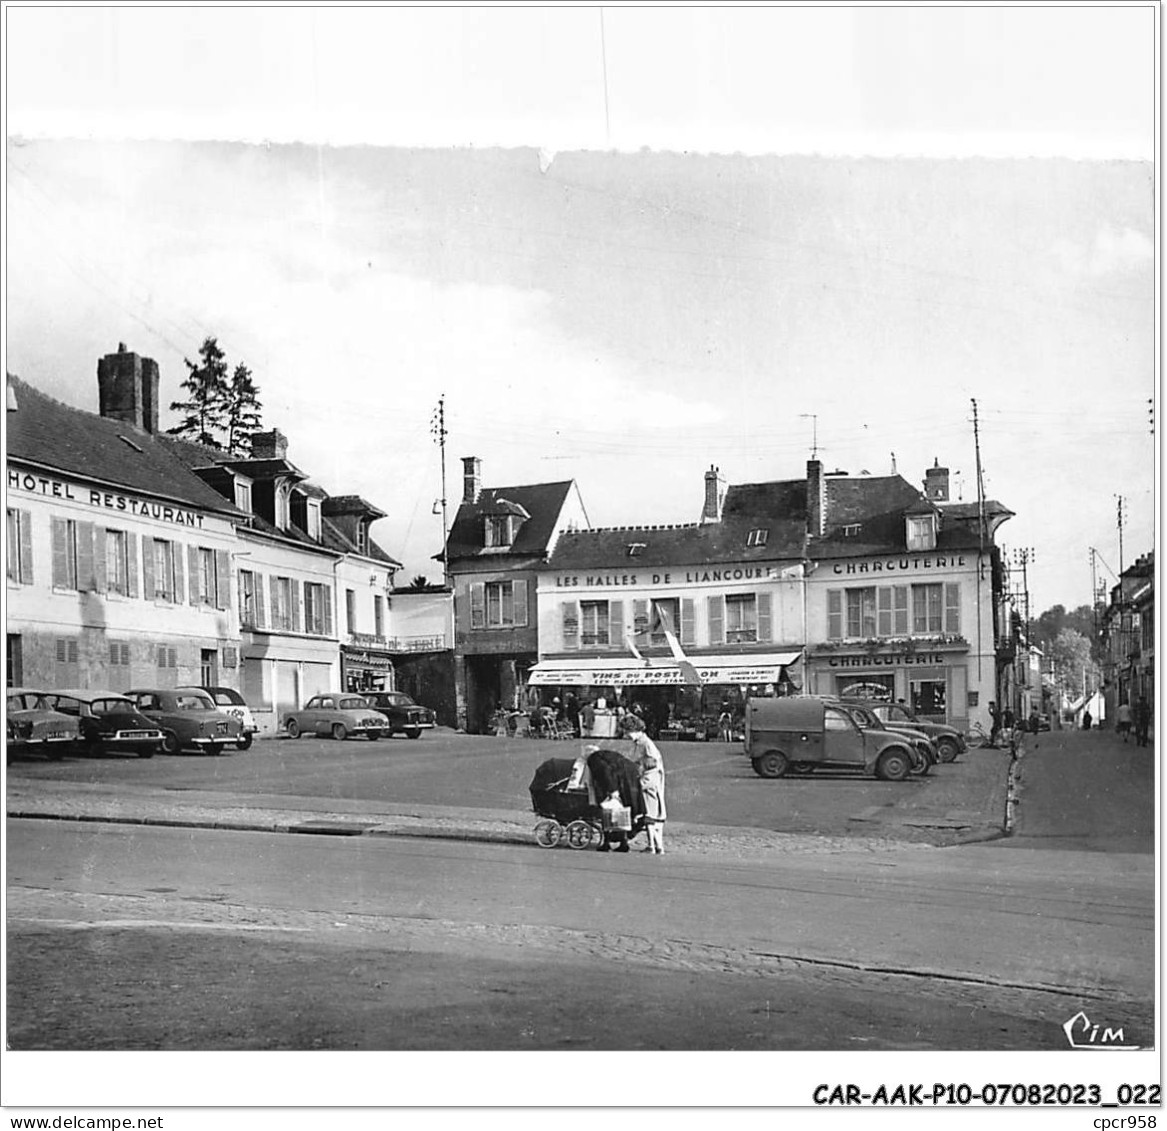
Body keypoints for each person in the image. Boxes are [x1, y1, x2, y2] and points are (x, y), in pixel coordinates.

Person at [624, 713, 666, 855]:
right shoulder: (640, 742)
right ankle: (656, 846)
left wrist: (640, 777)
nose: (626, 735)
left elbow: (651, 763)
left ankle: (652, 846)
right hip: (650, 780)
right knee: (651, 814)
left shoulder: (646, 743)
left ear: (635, 730)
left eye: (628, 732)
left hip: (650, 781)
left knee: (649, 814)